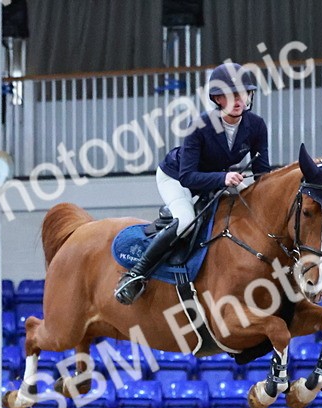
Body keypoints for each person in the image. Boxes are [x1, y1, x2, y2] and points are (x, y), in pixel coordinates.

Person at [114, 60, 273, 305]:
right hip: (177, 178)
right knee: (186, 222)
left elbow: (263, 175)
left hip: (218, 178)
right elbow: (188, 176)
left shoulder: (256, 126)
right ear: (218, 99)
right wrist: (223, 178)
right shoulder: (200, 126)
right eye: (231, 95)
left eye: (243, 93)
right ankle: (136, 276)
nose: (239, 99)